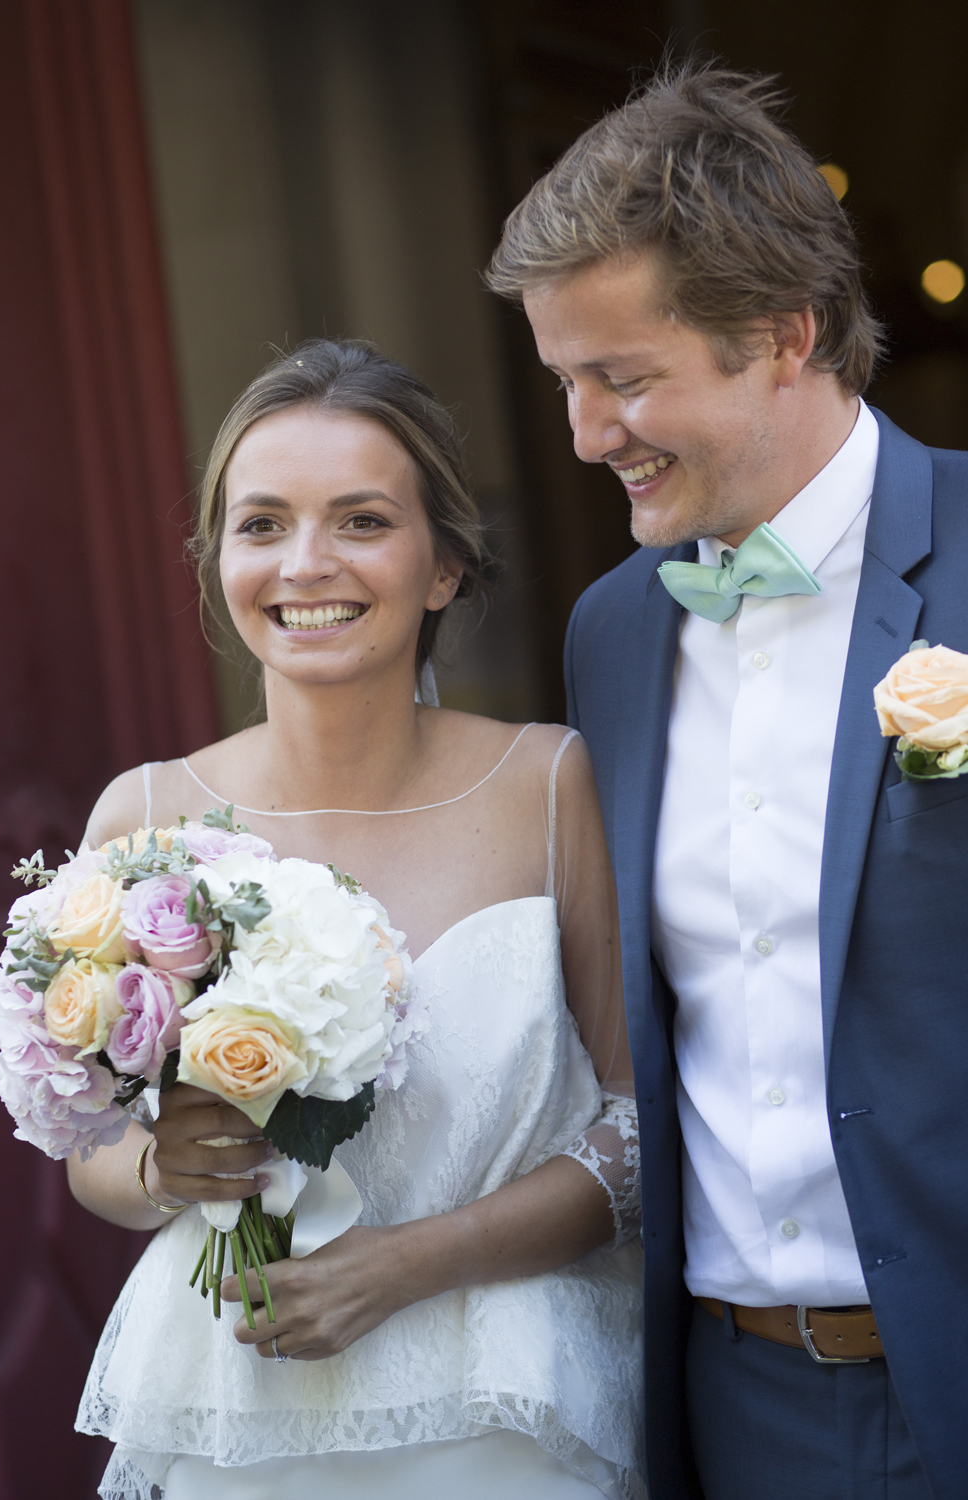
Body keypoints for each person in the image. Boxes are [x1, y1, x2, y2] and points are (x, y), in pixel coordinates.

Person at [487, 60, 968, 1500]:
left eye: (623, 378)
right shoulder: (614, 633)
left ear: (784, 334)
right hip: (737, 1407)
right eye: (564, 382)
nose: (583, 434)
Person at [67, 339, 643, 1500]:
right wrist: (167, 1169)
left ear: (442, 568)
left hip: (503, 1412)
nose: (306, 563)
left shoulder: (546, 785)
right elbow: (93, 1154)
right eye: (263, 523)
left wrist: (413, 1265)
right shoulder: (142, 814)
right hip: (235, 1408)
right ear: (218, 559)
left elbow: (636, 1135)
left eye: (363, 521)